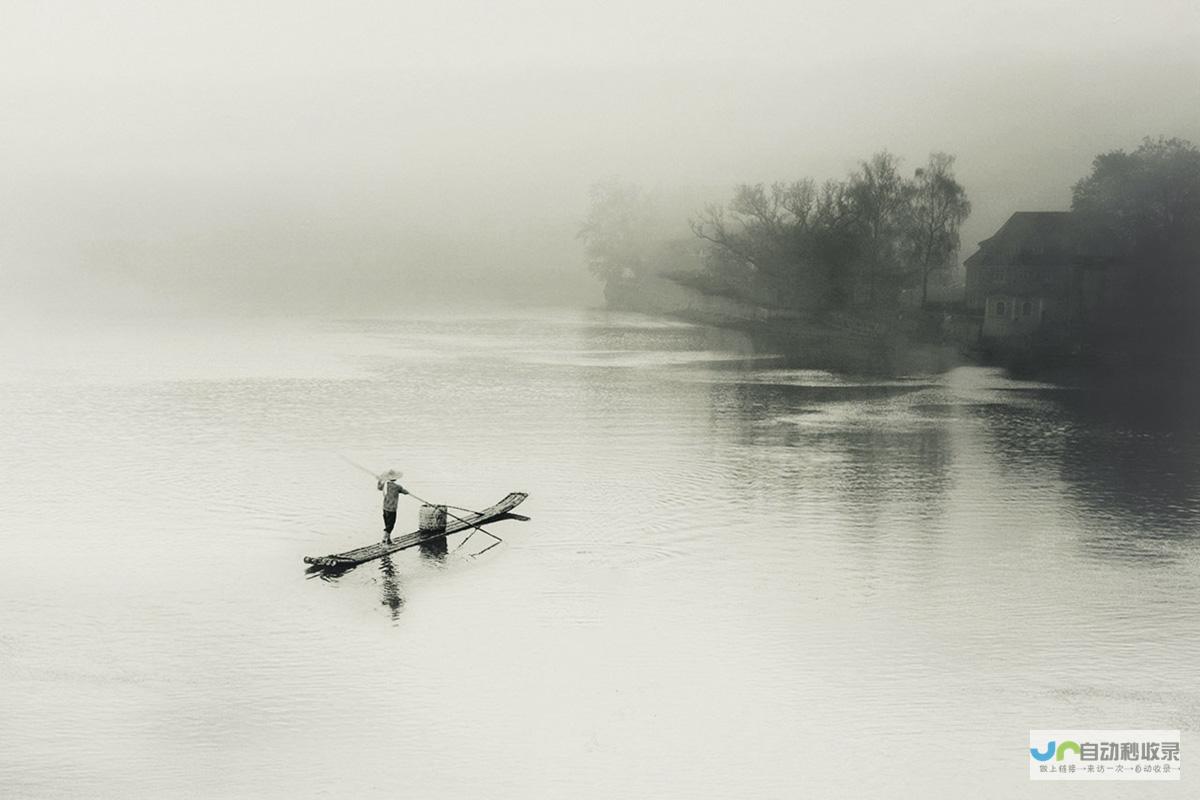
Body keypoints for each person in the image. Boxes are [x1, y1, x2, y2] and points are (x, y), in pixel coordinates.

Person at [377, 471, 407, 544]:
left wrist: (379, 481)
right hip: (392, 508)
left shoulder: (384, 484)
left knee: (387, 523)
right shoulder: (397, 487)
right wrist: (407, 492)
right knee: (390, 525)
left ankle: (388, 539)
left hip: (385, 507)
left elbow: (379, 488)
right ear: (395, 479)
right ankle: (384, 539)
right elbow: (405, 492)